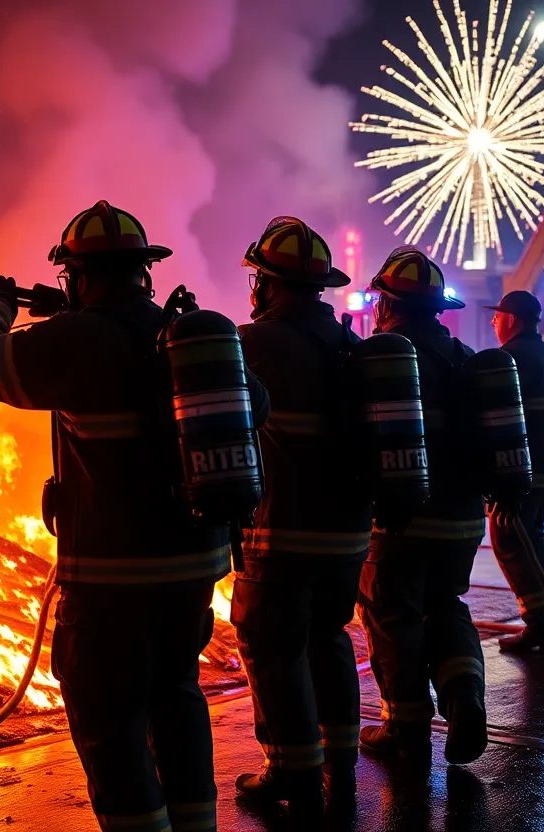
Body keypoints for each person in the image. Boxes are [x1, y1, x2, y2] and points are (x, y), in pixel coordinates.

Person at [0, 200, 269, 832]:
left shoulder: (75, 339)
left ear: (76, 276)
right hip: (192, 571)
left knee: (110, 719)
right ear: (144, 271)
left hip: (110, 580)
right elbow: (255, 403)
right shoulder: (184, 338)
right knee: (176, 698)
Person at [229, 217, 368, 815]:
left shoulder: (253, 342)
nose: (253, 287)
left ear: (269, 282)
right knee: (327, 637)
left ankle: (290, 771)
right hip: (348, 534)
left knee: (272, 645)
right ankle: (339, 757)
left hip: (280, 530)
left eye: (257, 276)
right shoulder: (350, 345)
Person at [356, 249, 489, 766]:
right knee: (447, 606)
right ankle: (465, 700)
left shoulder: (380, 358)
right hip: (461, 519)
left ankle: (405, 729)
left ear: (388, 304)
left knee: (393, 616)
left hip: (398, 518)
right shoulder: (467, 357)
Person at [486, 290, 544, 651]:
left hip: (523, 473)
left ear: (511, 320)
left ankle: (540, 625)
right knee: (534, 538)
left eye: (497, 317)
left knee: (508, 539)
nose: (493, 323)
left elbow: (498, 425)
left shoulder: (507, 359)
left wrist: (499, 477)